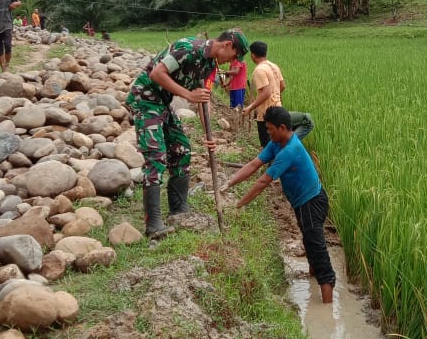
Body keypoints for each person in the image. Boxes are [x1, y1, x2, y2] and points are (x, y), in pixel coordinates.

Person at [125, 29, 250, 239]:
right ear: (227, 45)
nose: (233, 61)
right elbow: (157, 73)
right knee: (156, 156)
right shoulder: (188, 49)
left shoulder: (210, 64)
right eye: (235, 55)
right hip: (145, 100)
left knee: (182, 148)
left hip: (162, 103)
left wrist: (209, 136)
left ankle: (178, 208)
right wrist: (187, 94)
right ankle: (153, 224)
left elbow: (203, 99)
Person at [221, 106, 335, 303]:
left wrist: (239, 204)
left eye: (270, 129)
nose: (268, 132)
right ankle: (312, 282)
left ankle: (326, 310)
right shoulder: (277, 144)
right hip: (303, 202)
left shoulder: (289, 151)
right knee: (309, 243)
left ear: (282, 128)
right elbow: (253, 165)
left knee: (318, 252)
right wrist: (229, 183)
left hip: (311, 203)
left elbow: (263, 181)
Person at [243, 41, 286, 147]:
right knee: (277, 143)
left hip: (266, 114)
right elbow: (282, 86)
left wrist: (250, 108)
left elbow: (266, 92)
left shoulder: (259, 70)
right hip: (278, 110)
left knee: (267, 145)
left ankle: (271, 163)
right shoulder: (274, 66)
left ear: (253, 55)